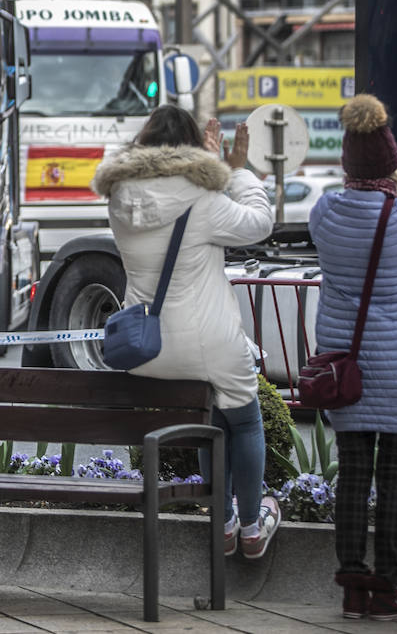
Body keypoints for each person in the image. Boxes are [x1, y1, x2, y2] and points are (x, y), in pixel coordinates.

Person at [91, 106, 280, 560]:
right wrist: (234, 171)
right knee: (244, 416)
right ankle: (250, 527)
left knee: (208, 423)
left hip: (149, 346)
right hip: (209, 339)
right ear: (191, 146)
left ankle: (225, 519)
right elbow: (259, 223)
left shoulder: (119, 197)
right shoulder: (201, 199)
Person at [309, 94, 397, 621]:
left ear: (348, 162)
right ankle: (387, 585)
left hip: (346, 365)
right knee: (392, 475)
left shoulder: (325, 209)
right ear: (390, 161)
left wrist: (386, 186)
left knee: (351, 473)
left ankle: (350, 584)